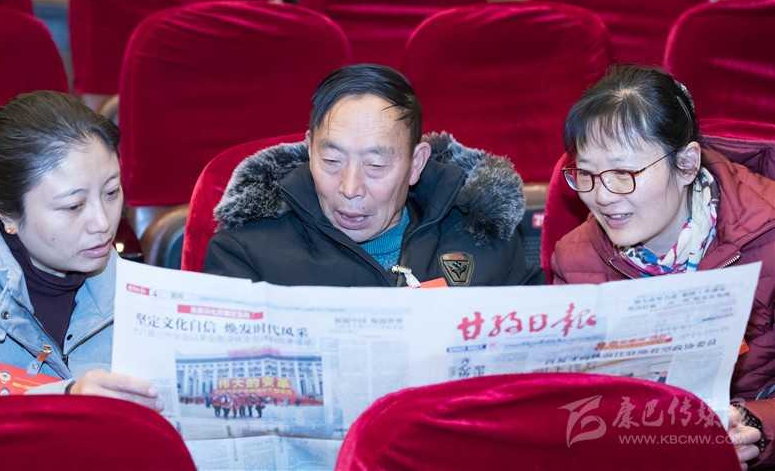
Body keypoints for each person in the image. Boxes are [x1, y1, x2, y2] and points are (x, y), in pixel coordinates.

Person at [550, 65, 774, 469]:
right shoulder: (574, 259)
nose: (603, 196)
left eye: (623, 173)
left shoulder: (767, 236)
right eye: (586, 173)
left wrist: (754, 424)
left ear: (686, 164)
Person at [0, 90, 163, 411]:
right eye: (73, 206)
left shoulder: (118, 277)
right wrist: (66, 401)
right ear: (6, 212)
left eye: (111, 192)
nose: (103, 223)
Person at [205, 64, 542, 287]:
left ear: (416, 164)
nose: (350, 188)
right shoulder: (247, 252)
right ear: (309, 151)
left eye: (376, 166)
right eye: (331, 160)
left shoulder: (482, 235)